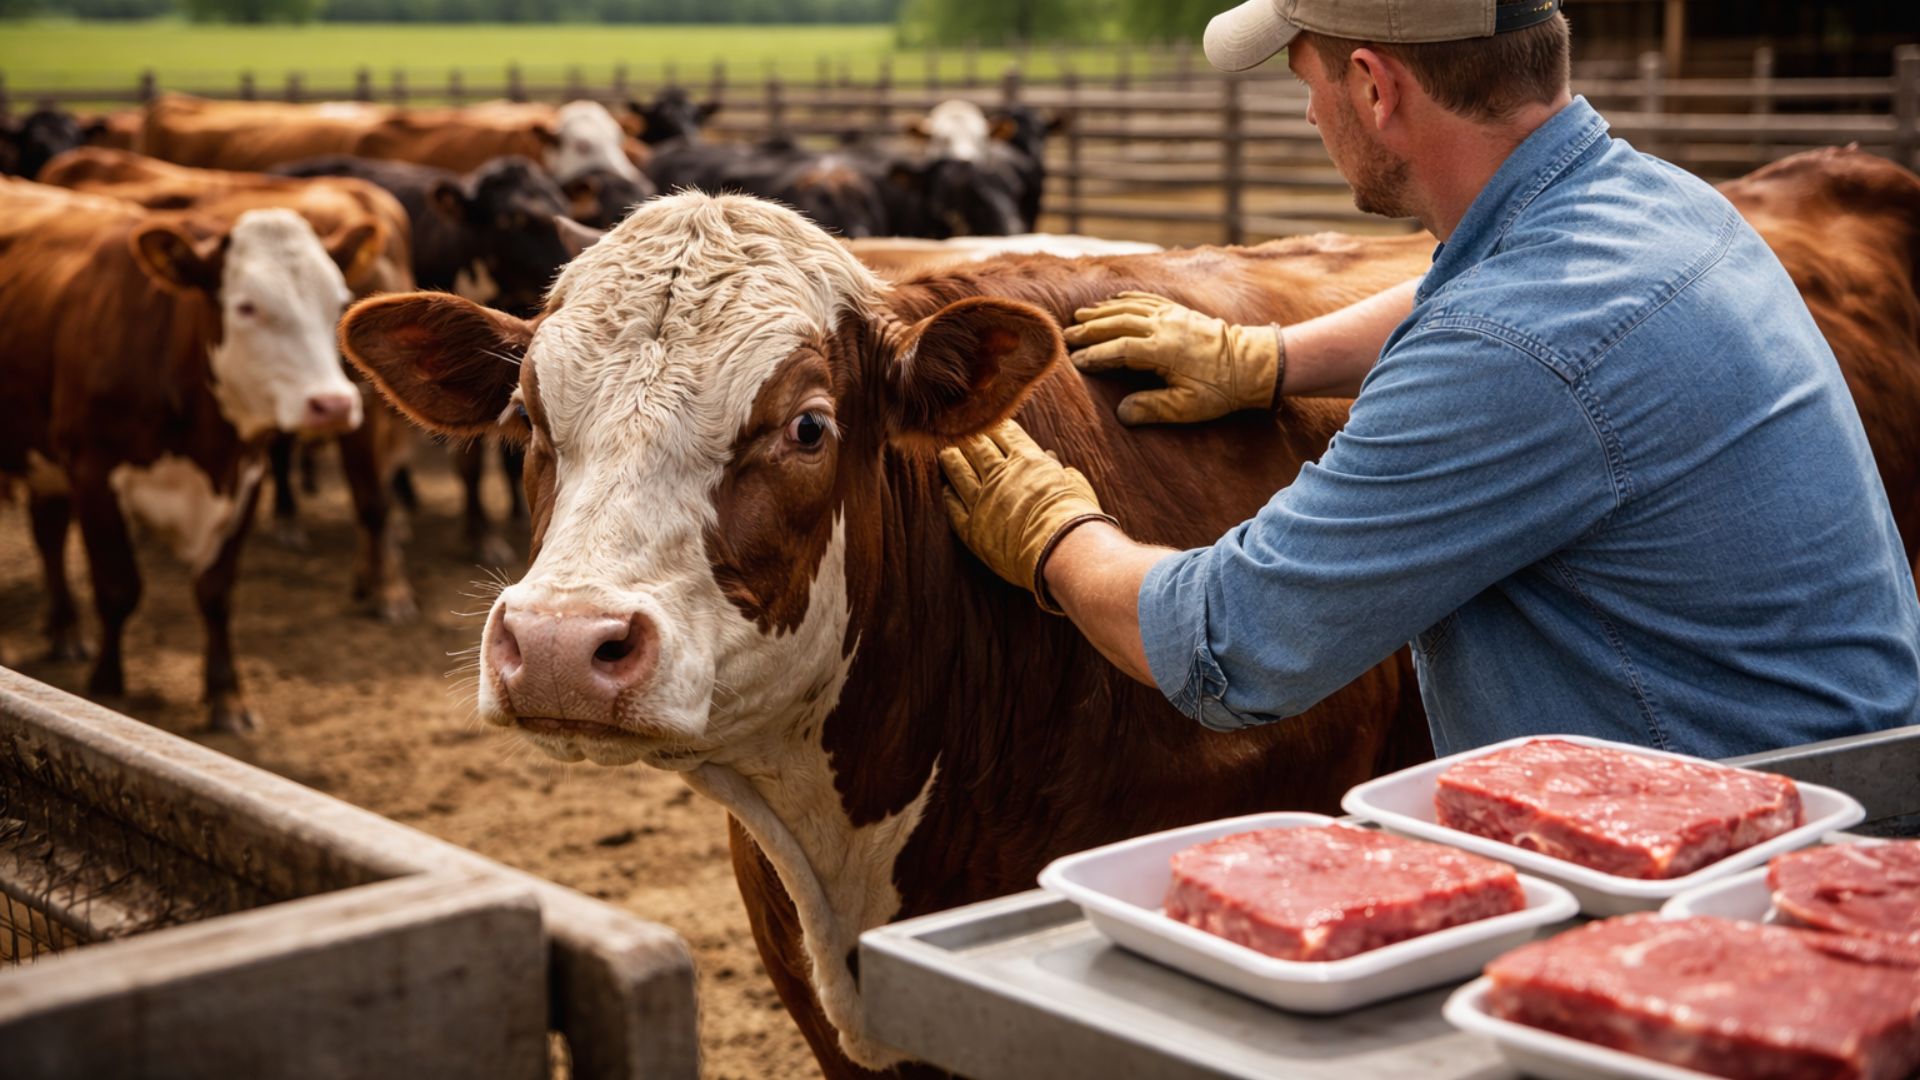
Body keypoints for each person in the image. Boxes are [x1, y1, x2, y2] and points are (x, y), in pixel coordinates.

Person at [937, 0, 1920, 758]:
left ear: (1375, 86)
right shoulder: (1658, 202)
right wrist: (1273, 359)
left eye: (1305, 75)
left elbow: (1228, 643)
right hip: (1847, 786)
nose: (1312, 108)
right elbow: (1490, 289)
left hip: (1739, 867)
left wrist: (1055, 531)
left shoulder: (1512, 353)